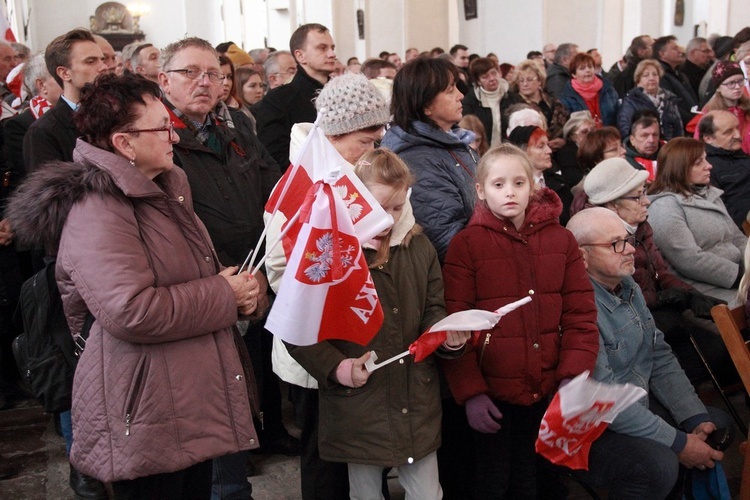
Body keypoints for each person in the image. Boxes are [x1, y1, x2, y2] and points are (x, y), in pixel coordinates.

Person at [5, 72, 261, 498]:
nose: (174, 139)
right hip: (144, 409)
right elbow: (131, 311)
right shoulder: (97, 208)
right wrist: (223, 295)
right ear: (124, 143)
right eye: (163, 128)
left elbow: (196, 275)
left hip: (184, 394)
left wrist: (241, 294)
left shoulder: (164, 187)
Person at [288, 148, 469, 499]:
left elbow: (432, 307)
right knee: (365, 493)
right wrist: (337, 368)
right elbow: (296, 331)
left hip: (415, 399)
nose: (387, 218)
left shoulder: (419, 246)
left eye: (398, 207)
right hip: (359, 403)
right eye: (378, 207)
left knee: (428, 493)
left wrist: (446, 336)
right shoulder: (329, 251)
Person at [157, 36, 286, 498]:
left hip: (251, 283)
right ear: (163, 79)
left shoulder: (234, 130)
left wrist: (264, 274)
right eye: (190, 72)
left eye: (213, 73)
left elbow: (277, 193)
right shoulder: (158, 140)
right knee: (206, 416)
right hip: (198, 294)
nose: (205, 82)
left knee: (238, 403)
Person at [441, 143, 599, 498]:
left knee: (538, 481)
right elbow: (456, 323)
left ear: (534, 186)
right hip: (493, 392)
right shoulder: (467, 245)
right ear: (480, 191)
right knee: (493, 483)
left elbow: (580, 314)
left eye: (518, 183)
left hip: (546, 388)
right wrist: (471, 393)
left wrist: (573, 374)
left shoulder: (561, 240)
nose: (509, 192)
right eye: (498, 184)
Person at [265, 72, 390, 500]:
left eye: (377, 140)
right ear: (334, 135)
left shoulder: (355, 175)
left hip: (355, 338)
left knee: (357, 454)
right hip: (312, 345)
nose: (373, 151)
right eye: (365, 141)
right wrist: (346, 253)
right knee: (323, 457)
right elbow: (281, 271)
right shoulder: (302, 182)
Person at [566, 207, 730, 499]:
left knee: (713, 423)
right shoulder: (578, 309)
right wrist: (680, 444)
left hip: (634, 401)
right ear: (582, 256)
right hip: (588, 427)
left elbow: (659, 356)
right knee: (658, 464)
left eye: (628, 240)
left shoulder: (626, 285)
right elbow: (604, 402)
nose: (629, 250)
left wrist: (692, 417)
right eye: (615, 244)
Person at [577, 158, 735, 387]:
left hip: (658, 309)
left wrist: (690, 294)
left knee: (720, 341)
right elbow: (621, 295)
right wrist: (664, 298)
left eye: (645, 193)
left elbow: (661, 272)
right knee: (707, 352)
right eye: (637, 196)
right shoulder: (597, 237)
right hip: (630, 323)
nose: (647, 202)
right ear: (612, 205)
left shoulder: (641, 226)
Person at [381, 56, 477, 263]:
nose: (460, 96)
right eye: (450, 90)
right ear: (425, 105)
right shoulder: (416, 159)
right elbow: (444, 237)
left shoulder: (451, 141)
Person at [647, 137, 747, 305]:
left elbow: (737, 238)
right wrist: (739, 276)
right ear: (680, 168)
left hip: (739, 278)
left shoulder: (710, 194)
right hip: (705, 292)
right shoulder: (664, 207)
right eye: (699, 162)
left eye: (705, 159)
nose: (709, 166)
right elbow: (689, 260)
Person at [23, 29, 108, 173]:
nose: (104, 67)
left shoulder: (116, 115)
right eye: (91, 61)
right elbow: (50, 191)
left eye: (102, 59)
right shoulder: (44, 132)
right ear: (64, 73)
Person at [253, 23, 336, 170]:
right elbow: (274, 157)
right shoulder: (278, 101)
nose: (332, 54)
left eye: (332, 48)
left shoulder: (341, 94)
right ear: (300, 55)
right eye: (322, 48)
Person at [508, 125, 573, 225]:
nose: (549, 151)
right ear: (522, 151)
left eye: (547, 145)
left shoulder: (559, 182)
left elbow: (568, 219)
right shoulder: (509, 188)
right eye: (541, 146)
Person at [698, 110, 750, 230]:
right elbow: (721, 210)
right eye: (728, 132)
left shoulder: (742, 156)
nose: (737, 135)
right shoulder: (707, 167)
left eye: (737, 128)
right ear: (708, 138)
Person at [692, 61, 750, 154]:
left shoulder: (747, 108)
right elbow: (699, 145)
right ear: (718, 87)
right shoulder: (710, 114)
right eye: (731, 83)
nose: (737, 87)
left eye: (740, 81)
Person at [617, 59, 683, 140]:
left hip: (669, 147)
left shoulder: (669, 100)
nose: (651, 78)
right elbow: (625, 129)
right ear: (638, 80)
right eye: (646, 75)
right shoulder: (631, 101)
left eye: (655, 74)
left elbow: (678, 129)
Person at [511, 59, 569, 148]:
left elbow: (565, 128)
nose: (525, 84)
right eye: (521, 81)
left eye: (529, 80)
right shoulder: (515, 105)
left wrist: (563, 141)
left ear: (539, 81)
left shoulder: (554, 102)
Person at [559, 52, 619, 127]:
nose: (587, 70)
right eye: (582, 68)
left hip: (609, 135)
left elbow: (618, 116)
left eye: (590, 67)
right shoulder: (567, 97)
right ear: (574, 74)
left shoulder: (609, 90)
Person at [461, 57, 511, 147]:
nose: (492, 78)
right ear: (478, 81)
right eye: (485, 77)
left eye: (494, 73)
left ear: (499, 73)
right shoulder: (470, 101)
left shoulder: (511, 97)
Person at [654, 35, 698, 131]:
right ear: (662, 54)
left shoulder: (679, 73)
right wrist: (692, 120)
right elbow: (670, 103)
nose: (680, 51)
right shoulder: (661, 76)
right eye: (675, 49)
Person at [624, 109, 662, 181]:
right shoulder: (624, 162)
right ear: (632, 139)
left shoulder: (669, 156)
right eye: (644, 135)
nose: (651, 140)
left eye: (655, 135)